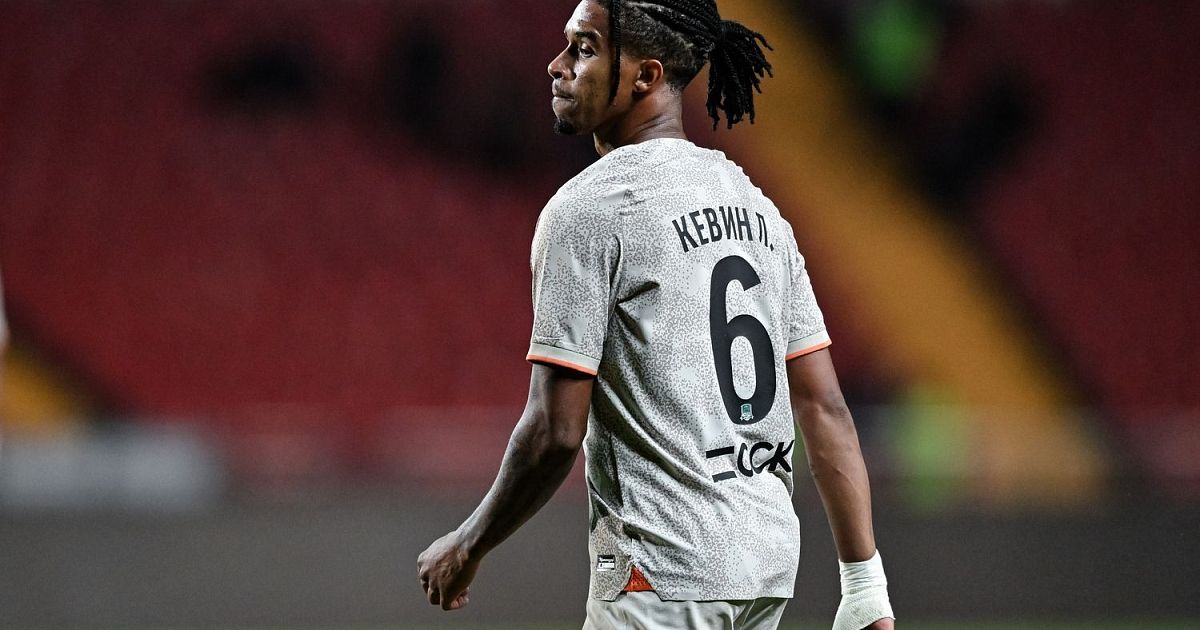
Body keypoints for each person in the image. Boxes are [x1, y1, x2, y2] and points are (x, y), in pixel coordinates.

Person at [417, 1, 895, 628]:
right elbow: (823, 405)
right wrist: (864, 584)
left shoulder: (589, 210)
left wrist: (468, 544)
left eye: (585, 49)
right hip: (765, 568)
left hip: (661, 570)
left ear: (645, 76)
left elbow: (556, 431)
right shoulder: (759, 210)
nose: (558, 65)